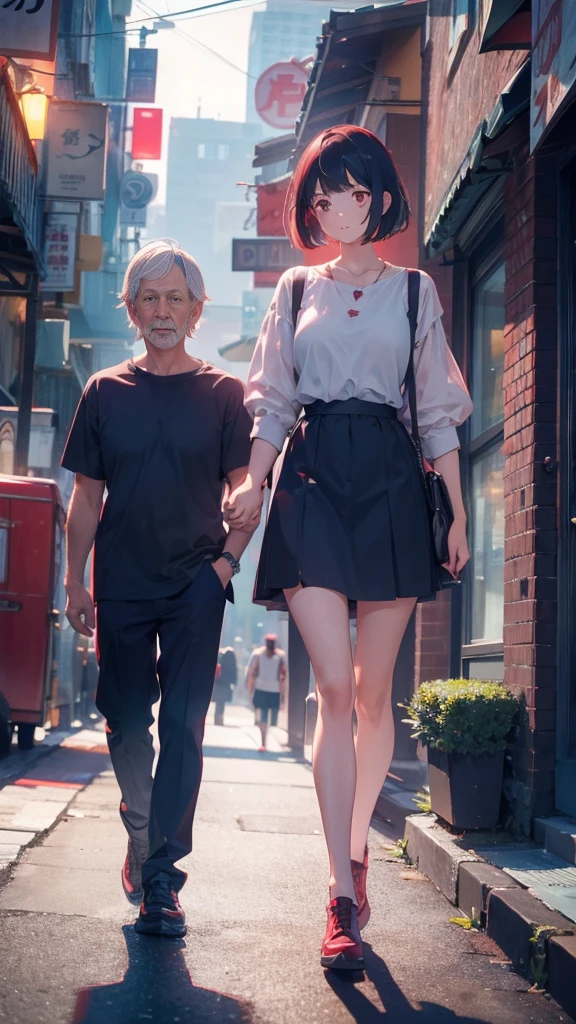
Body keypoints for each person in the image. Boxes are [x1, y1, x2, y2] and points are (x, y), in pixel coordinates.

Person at [225, 127, 473, 970]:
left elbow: (435, 407)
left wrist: (461, 512)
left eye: (359, 191)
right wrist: (253, 481)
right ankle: (339, 893)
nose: (343, 205)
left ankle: (361, 853)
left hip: (393, 488)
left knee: (373, 698)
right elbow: (273, 401)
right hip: (314, 483)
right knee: (333, 687)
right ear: (311, 205)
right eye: (327, 193)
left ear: (381, 198)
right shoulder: (295, 290)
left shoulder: (415, 292)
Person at [62, 240, 261, 939]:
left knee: (182, 724)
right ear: (132, 309)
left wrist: (225, 564)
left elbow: (244, 484)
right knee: (122, 714)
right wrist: (74, 584)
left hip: (195, 585)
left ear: (197, 310)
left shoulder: (224, 394)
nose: (162, 310)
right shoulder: (104, 391)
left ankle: (161, 878)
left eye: (176, 298)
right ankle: (140, 822)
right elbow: (86, 499)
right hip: (119, 582)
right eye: (149, 298)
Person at [244, 633, 287, 751]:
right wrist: (282, 694)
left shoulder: (258, 654)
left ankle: (264, 740)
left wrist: (250, 688)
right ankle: (265, 738)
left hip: (262, 688)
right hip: (273, 690)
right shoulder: (280, 656)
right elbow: (283, 676)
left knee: (263, 716)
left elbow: (252, 673)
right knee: (269, 717)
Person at [212, 646, 238, 725]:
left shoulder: (220, 659)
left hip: (219, 683)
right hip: (226, 685)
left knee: (218, 703)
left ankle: (217, 719)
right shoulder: (232, 661)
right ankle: (219, 719)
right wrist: (234, 682)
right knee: (221, 703)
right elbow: (234, 673)